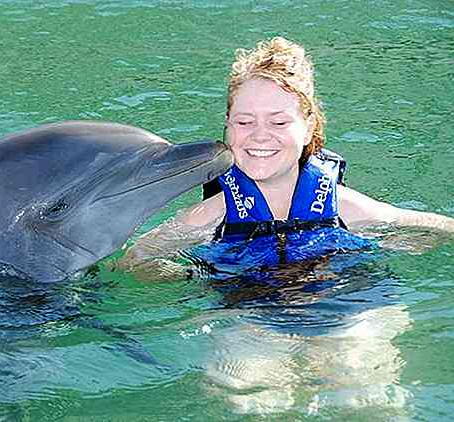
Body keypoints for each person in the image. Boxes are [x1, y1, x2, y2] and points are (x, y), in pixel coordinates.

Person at [118, 36, 454, 276]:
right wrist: (190, 275)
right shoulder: (209, 217)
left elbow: (439, 228)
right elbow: (135, 261)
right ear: (227, 125)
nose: (260, 135)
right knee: (244, 359)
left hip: (346, 301)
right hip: (250, 310)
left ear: (308, 128)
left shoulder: (346, 208)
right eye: (244, 122)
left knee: (353, 353)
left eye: (279, 122)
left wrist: (398, 245)